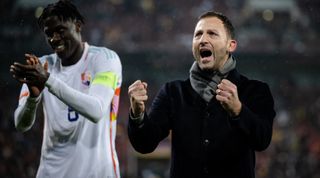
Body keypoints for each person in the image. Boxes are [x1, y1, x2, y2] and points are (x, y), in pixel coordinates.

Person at [127, 11, 275, 178]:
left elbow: (262, 140)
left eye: (212, 33)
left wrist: (238, 111)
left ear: (230, 45)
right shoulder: (173, 93)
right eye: (198, 35)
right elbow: (145, 144)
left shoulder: (255, 91)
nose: (203, 39)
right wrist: (138, 114)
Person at [10, 1, 122, 178]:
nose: (54, 39)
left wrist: (48, 80)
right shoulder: (41, 66)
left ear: (77, 26)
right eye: (49, 34)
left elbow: (96, 110)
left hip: (97, 173)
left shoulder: (104, 59)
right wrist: (33, 98)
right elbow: (21, 125)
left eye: (60, 30)